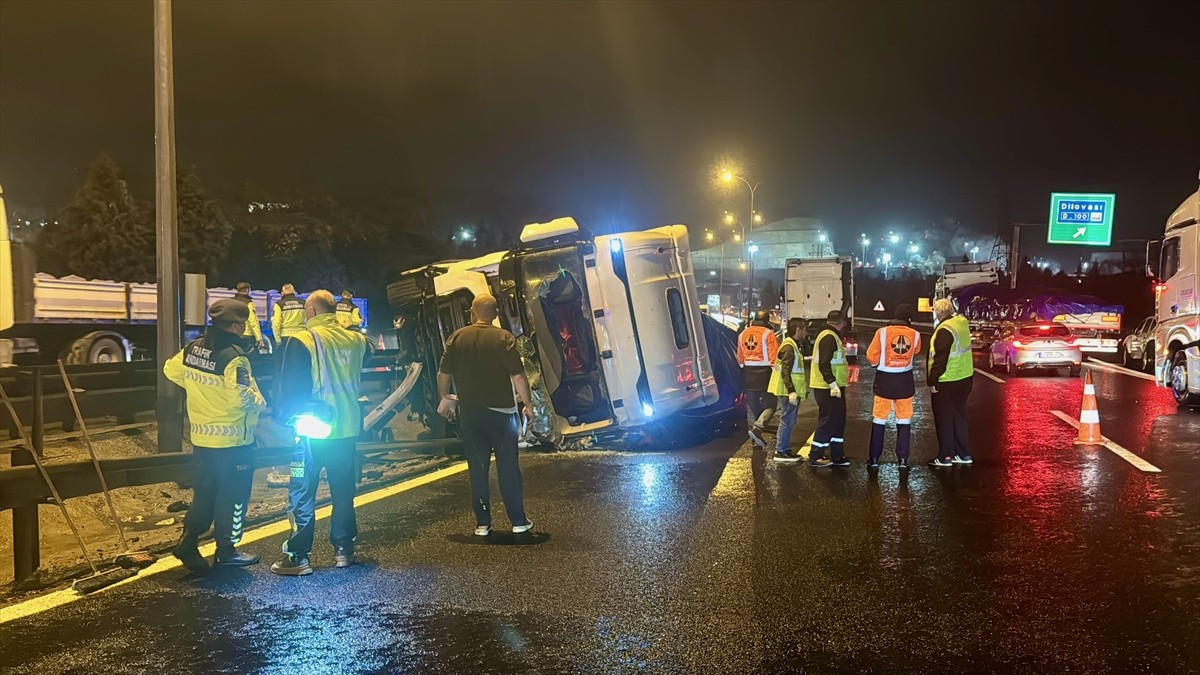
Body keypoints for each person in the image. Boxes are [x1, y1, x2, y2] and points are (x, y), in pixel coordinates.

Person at [270, 290, 370, 575]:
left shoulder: (304, 340)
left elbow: (289, 388)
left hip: (312, 430)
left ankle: (298, 556)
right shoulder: (355, 340)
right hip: (347, 427)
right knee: (343, 491)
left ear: (311, 310)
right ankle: (344, 550)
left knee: (303, 492)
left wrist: (283, 418)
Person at [163, 299, 267, 571]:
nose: (244, 329)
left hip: (202, 440)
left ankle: (188, 540)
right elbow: (241, 399)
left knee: (205, 493)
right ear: (235, 325)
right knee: (233, 497)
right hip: (233, 442)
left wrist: (201, 393)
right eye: (243, 325)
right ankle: (226, 550)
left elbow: (170, 370)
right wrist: (262, 402)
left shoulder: (193, 348)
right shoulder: (234, 357)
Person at [437, 294, 535, 536]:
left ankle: (482, 523)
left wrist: (445, 396)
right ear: (495, 314)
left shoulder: (457, 338)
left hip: (470, 414)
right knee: (508, 466)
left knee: (477, 467)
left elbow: (443, 373)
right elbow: (518, 376)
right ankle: (518, 521)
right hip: (502, 415)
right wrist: (528, 403)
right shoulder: (503, 338)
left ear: (472, 312)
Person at [865, 303, 921, 469]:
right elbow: (916, 351)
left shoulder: (882, 333)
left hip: (884, 381)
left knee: (879, 419)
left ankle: (874, 458)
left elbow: (871, 356)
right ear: (909, 319)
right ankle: (903, 459)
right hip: (905, 382)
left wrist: (878, 364)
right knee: (904, 420)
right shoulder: (916, 335)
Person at [927, 298, 974, 467]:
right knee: (959, 415)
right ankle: (963, 454)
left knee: (944, 418)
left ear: (938, 313)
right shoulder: (961, 323)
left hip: (947, 380)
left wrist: (933, 381)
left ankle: (945, 456)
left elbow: (940, 359)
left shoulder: (944, 330)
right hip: (965, 377)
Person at [808, 310, 851, 467]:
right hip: (827, 387)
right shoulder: (828, 337)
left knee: (838, 420)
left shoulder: (830, 335)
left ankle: (837, 455)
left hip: (834, 387)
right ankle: (815, 455)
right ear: (840, 323)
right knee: (827, 420)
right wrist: (832, 383)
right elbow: (824, 363)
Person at [768, 317, 808, 462]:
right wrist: (791, 391)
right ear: (798, 329)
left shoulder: (791, 345)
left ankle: (783, 449)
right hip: (787, 391)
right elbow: (785, 371)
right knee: (787, 420)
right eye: (804, 329)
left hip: (787, 391)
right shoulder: (789, 347)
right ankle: (781, 451)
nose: (806, 333)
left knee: (788, 420)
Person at [737, 309, 779, 448]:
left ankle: (755, 438)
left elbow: (740, 357)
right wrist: (778, 374)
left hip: (748, 372)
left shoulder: (743, 334)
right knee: (771, 403)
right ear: (767, 321)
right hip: (765, 372)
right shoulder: (768, 333)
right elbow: (774, 357)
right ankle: (758, 428)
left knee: (752, 404)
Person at [233, 281, 264, 352]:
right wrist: (259, 339)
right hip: (246, 336)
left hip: (234, 334)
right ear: (247, 290)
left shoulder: (232, 301)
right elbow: (253, 321)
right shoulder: (248, 303)